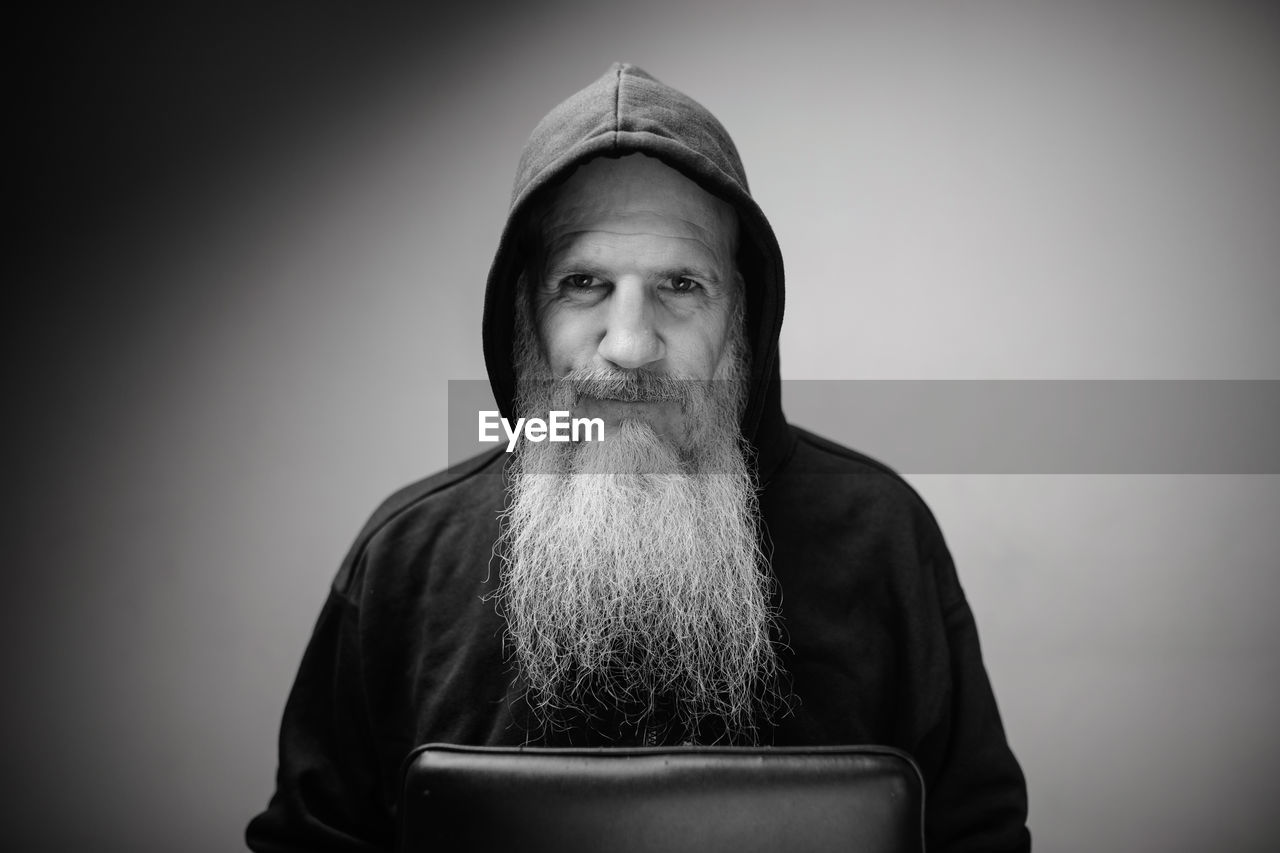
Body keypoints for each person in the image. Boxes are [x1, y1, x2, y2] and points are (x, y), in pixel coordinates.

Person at [246, 63, 1031, 852]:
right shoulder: (405, 560)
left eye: (682, 284)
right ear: (523, 311)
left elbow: (978, 837)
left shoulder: (882, 537)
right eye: (583, 282)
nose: (630, 346)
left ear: (745, 317)